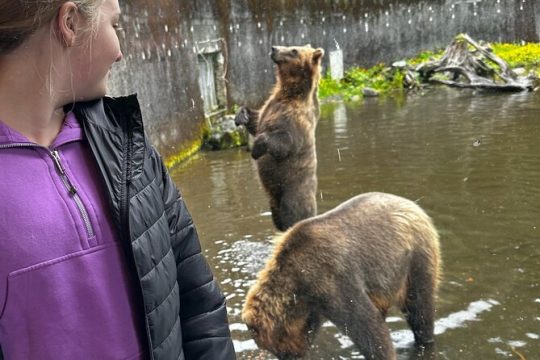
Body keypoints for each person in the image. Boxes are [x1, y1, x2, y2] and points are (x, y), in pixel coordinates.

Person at [0, 0, 236, 359]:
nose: (121, 52)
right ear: (70, 22)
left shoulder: (130, 150)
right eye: (116, 26)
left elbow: (200, 308)